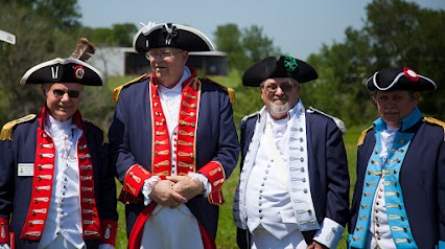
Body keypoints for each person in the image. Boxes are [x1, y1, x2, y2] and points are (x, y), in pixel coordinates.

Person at [109, 22, 240, 249]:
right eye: (153, 54)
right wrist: (149, 185)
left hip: (196, 209)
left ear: (184, 56)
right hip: (146, 206)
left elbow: (228, 151)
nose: (157, 60)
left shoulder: (215, 96)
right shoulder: (129, 96)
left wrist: (199, 182)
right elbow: (118, 151)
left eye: (165, 53)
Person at [0, 39, 118, 249]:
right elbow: (2, 195)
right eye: (58, 92)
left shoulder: (95, 137)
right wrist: (2, 241)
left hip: (81, 242)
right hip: (32, 243)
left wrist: (107, 242)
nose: (65, 99)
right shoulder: (18, 135)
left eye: (73, 93)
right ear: (45, 91)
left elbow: (107, 195)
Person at [233, 55, 350, 249]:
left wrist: (325, 239)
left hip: (302, 239)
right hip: (255, 237)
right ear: (261, 91)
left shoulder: (323, 127)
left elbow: (338, 188)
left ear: (298, 89)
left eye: (286, 86)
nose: (279, 92)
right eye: (272, 86)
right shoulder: (250, 125)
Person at [349, 67, 445, 249]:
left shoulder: (436, 138)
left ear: (415, 99)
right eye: (383, 98)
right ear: (374, 101)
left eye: (397, 97)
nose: (389, 104)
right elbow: (358, 198)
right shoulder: (367, 139)